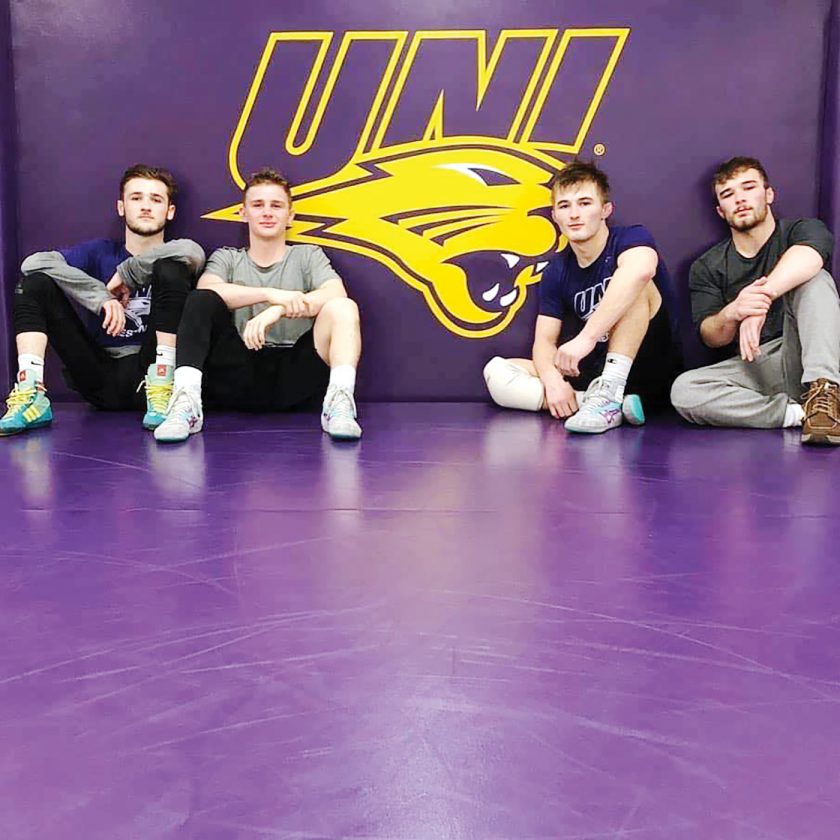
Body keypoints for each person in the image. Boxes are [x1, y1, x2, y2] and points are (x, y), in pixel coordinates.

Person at [154, 167, 362, 443]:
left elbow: (335, 292)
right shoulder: (227, 258)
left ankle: (339, 405)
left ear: (290, 215)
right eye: (258, 205)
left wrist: (278, 310)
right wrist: (269, 294)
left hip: (295, 375)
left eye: (276, 205)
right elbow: (208, 290)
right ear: (243, 213)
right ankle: (186, 405)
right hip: (237, 373)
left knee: (343, 307)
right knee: (201, 299)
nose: (267, 212)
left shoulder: (308, 255)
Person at [0, 164, 204, 436]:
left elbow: (192, 251)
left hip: (153, 375)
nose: (146, 206)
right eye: (136, 198)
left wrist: (128, 273)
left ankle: (165, 383)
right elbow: (33, 262)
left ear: (170, 211)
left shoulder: (178, 253)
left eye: (156, 199)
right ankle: (31, 393)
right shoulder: (99, 252)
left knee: (171, 268)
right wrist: (100, 296)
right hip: (98, 374)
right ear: (121, 207)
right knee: (33, 283)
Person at [483, 160, 681, 433]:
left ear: (605, 210)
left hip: (649, 368)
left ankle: (608, 394)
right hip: (595, 374)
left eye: (585, 203)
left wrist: (585, 339)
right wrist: (552, 381)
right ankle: (600, 403)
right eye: (565, 206)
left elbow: (642, 270)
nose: (574, 214)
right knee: (498, 372)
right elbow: (545, 341)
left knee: (636, 284)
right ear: (555, 215)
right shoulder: (557, 270)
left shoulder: (631, 238)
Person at [670, 156, 840, 445]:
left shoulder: (802, 230)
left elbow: (810, 256)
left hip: (813, 349)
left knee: (814, 277)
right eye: (728, 194)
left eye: (748, 187)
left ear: (769, 194)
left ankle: (825, 391)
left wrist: (762, 300)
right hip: (760, 363)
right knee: (685, 390)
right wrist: (734, 312)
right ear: (720, 210)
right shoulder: (707, 266)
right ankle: (802, 414)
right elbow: (711, 337)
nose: (739, 199)